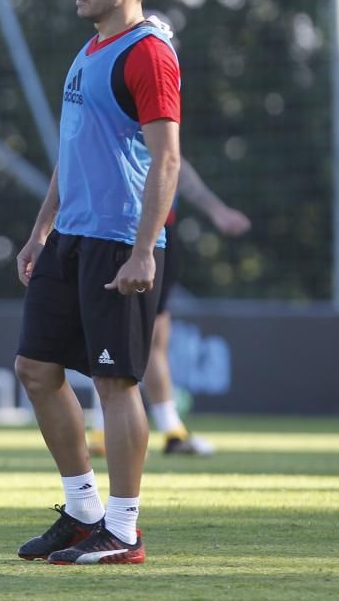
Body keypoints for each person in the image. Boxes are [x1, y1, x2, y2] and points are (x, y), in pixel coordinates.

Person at [14, 0, 180, 565]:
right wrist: (40, 231)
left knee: (115, 382)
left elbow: (167, 158)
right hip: (71, 238)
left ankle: (125, 528)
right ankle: (83, 512)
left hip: (118, 242)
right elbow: (72, 150)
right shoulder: (89, 50)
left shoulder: (148, 54)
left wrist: (144, 250)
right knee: (35, 370)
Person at [88, 158, 251, 457]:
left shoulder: (159, 124)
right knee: (112, 330)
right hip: (117, 229)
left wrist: (216, 209)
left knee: (156, 334)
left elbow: (174, 163)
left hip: (160, 232)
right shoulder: (117, 118)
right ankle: (103, 427)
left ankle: (170, 430)